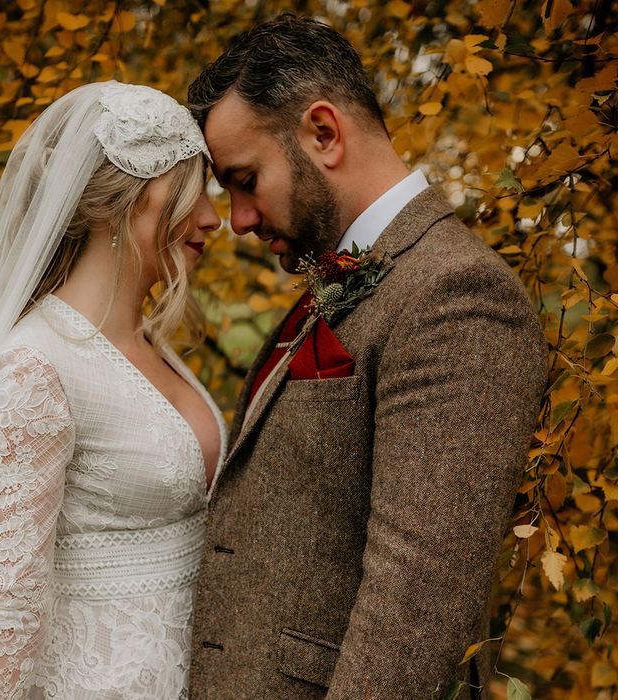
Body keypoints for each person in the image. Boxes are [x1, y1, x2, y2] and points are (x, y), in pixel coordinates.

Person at [186, 14, 548, 700]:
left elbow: (418, 601)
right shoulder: (341, 282)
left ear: (322, 134)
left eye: (244, 179)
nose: (237, 218)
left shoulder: (457, 294)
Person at [0, 81, 225, 700]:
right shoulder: (34, 368)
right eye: (191, 192)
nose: (211, 218)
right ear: (117, 201)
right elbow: (6, 609)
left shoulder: (152, 347)